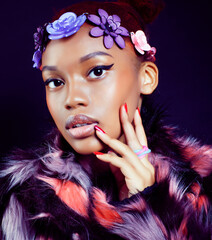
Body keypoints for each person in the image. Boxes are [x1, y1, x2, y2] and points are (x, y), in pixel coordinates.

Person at [0, 0, 211, 239]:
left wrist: (152, 208)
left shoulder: (203, 180)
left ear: (146, 78)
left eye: (97, 71)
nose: (72, 99)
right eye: (55, 82)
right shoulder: (22, 202)